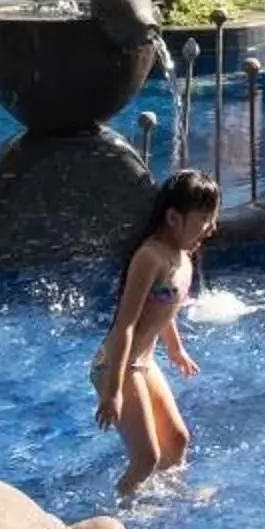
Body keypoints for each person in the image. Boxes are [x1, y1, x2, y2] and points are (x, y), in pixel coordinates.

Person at [93, 168, 219, 495]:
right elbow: (126, 324)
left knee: (177, 441)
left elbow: (165, 306)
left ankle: (168, 500)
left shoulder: (183, 255)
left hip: (143, 364)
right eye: (204, 218)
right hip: (116, 365)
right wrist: (113, 390)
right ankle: (123, 512)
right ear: (174, 218)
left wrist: (175, 349)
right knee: (145, 458)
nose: (212, 227)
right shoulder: (149, 257)